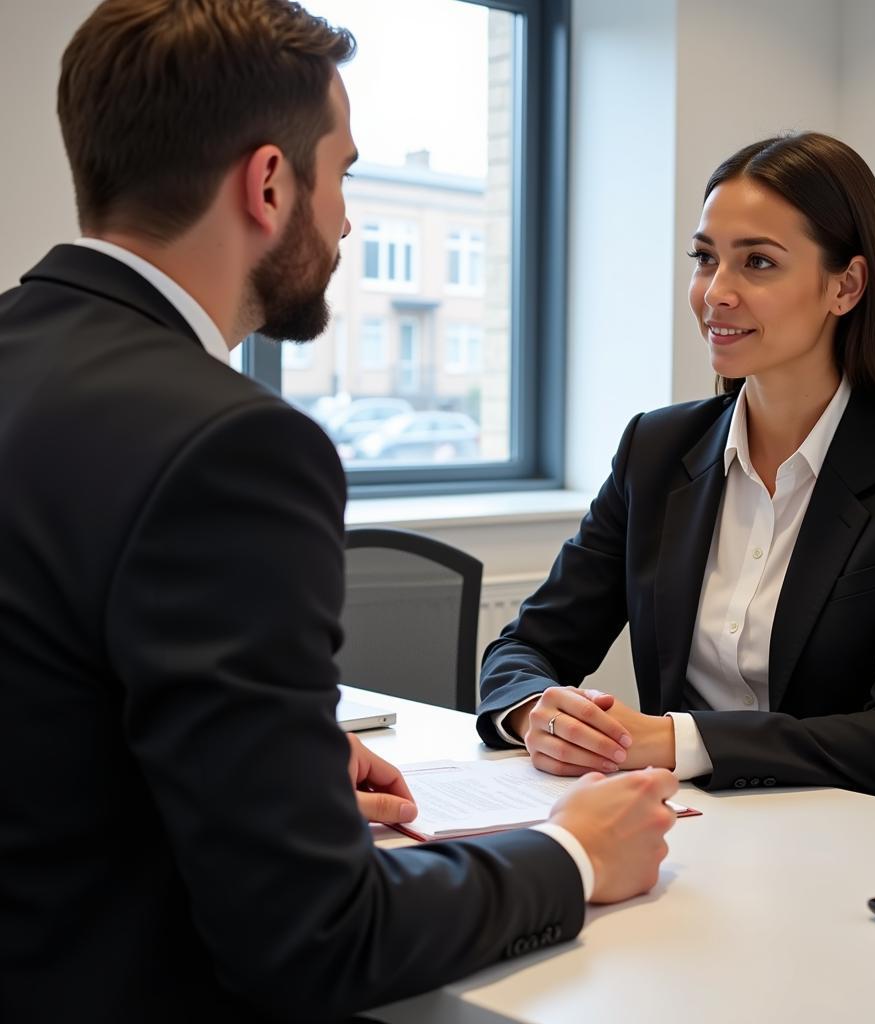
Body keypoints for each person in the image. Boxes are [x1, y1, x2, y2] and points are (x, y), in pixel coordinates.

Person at [0, 2, 679, 1021]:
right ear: (269, 183)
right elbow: (314, 936)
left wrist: (276, 769)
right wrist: (572, 854)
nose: (351, 217)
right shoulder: (230, 446)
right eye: (344, 173)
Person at [478, 131, 875, 819]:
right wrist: (536, 713)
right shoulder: (656, 448)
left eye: (758, 263)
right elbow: (526, 647)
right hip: (701, 834)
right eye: (705, 260)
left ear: (845, 286)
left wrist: (676, 740)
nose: (716, 293)